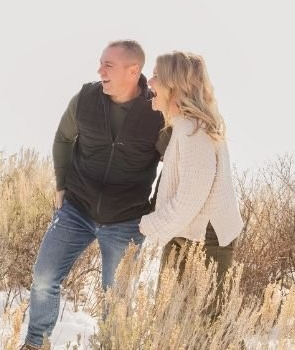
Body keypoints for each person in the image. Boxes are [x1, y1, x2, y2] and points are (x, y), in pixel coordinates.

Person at [21, 42, 167, 350]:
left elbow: (174, 162)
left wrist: (155, 209)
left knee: (116, 300)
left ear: (133, 71)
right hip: (76, 210)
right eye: (101, 64)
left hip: (126, 221)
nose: (100, 71)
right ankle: (36, 344)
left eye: (108, 66)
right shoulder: (86, 98)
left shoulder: (156, 112)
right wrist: (61, 185)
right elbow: (63, 138)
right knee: (44, 278)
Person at [139, 52, 243, 311]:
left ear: (173, 85)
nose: (149, 82)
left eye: (155, 76)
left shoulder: (193, 131)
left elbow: (190, 198)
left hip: (205, 238)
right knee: (172, 322)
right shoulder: (183, 126)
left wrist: (147, 224)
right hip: (186, 232)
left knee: (206, 330)